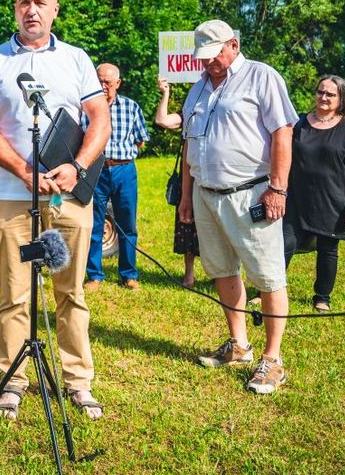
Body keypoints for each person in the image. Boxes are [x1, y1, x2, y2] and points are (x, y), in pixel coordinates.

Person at [0, 0, 110, 421]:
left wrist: (78, 167)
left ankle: (77, 382)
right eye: (23, 2)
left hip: (68, 197)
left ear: (55, 11)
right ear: (14, 9)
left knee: (70, 292)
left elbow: (98, 120)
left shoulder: (76, 59)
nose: (31, 9)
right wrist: (25, 173)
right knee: (14, 293)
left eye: (40, 3)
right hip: (14, 196)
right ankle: (12, 381)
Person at [177, 20, 297, 395]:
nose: (209, 64)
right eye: (204, 58)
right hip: (205, 193)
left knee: (268, 276)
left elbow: (283, 132)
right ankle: (239, 345)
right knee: (222, 271)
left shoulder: (262, 77)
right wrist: (186, 196)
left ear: (233, 44)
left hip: (251, 193)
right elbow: (187, 148)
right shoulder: (197, 89)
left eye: (215, 56)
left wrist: (278, 187)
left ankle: (272, 360)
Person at [282, 75, 345, 312]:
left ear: (341, 99)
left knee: (328, 250)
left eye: (330, 94)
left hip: (332, 202)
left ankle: (322, 297)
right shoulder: (299, 123)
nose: (324, 97)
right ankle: (268, 289)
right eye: (321, 92)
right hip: (296, 199)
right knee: (283, 243)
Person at [85, 64, 149, 292]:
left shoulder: (131, 107)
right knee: (94, 223)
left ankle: (129, 275)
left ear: (118, 84)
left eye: (108, 83)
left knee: (127, 224)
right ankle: (94, 275)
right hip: (96, 170)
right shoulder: (87, 108)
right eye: (99, 81)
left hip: (124, 170)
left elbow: (141, 139)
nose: (103, 86)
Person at [156, 76, 200, 288]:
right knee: (188, 223)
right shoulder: (188, 114)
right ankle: (189, 274)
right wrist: (165, 93)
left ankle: (223, 272)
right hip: (190, 173)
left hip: (216, 173)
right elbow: (162, 120)